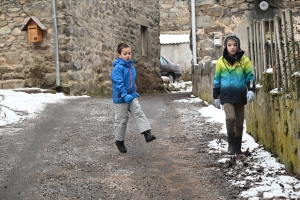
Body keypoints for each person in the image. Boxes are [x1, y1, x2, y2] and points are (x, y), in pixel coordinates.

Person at [213, 33, 255, 155]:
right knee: (230, 118)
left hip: (240, 94)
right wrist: (216, 96)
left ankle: (238, 148)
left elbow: (250, 77)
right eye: (229, 45)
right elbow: (217, 79)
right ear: (226, 46)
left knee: (239, 122)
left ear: (238, 46)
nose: (232, 47)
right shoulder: (221, 62)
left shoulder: (245, 61)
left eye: (235, 44)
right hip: (226, 95)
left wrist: (251, 89)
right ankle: (231, 145)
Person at [111, 43, 156, 153]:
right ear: (119, 55)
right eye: (125, 53)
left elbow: (131, 82)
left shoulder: (131, 67)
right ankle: (119, 141)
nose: (128, 55)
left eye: (129, 53)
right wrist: (124, 94)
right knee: (122, 120)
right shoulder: (118, 68)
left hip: (130, 96)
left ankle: (147, 133)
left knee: (138, 112)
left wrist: (133, 92)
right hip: (121, 98)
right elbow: (118, 83)